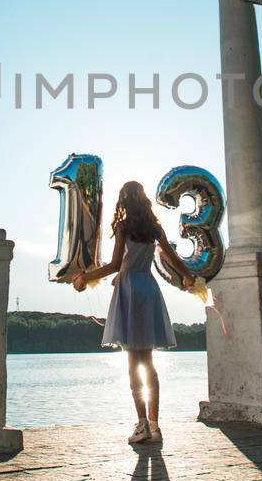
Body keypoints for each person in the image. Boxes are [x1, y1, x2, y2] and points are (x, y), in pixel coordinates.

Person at [72, 180, 198, 446]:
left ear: (124, 201)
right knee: (149, 362)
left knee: (133, 362)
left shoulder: (123, 227)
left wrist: (85, 276)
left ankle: (142, 425)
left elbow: (115, 265)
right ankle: (155, 424)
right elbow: (172, 257)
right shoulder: (153, 227)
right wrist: (187, 276)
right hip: (148, 288)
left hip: (129, 289)